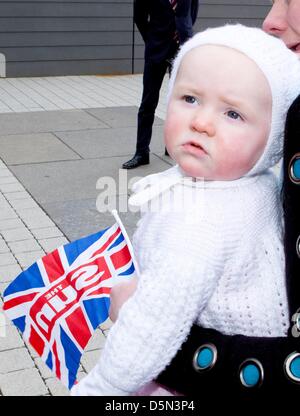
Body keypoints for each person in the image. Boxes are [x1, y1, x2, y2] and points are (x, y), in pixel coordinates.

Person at [70, 24, 300, 397]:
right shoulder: (258, 183)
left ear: (273, 139)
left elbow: (153, 323)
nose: (202, 122)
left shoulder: (198, 220)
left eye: (233, 114)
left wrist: (102, 386)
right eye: (190, 98)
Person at [122, 0, 199, 169]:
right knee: (148, 103)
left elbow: (192, 12)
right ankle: (142, 152)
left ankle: (172, 147)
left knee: (180, 103)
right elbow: (139, 17)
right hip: (156, 48)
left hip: (181, 48)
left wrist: (183, 31)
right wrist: (152, 39)